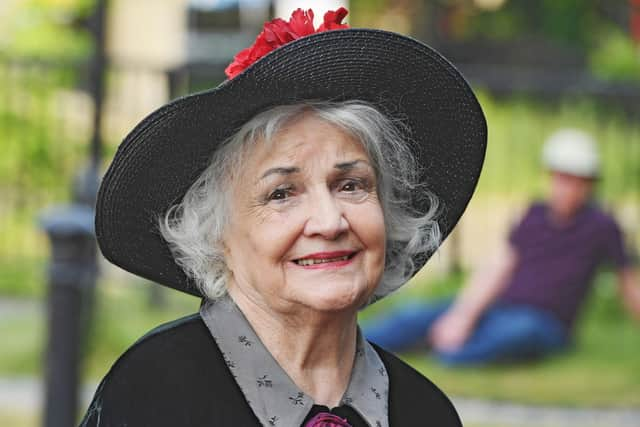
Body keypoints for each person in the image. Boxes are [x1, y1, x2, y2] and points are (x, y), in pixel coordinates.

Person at [80, 7, 487, 427]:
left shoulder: (423, 412)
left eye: (351, 185)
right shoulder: (155, 393)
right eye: (281, 193)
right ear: (216, 234)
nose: (329, 223)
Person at [364, 128, 640, 366]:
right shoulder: (535, 215)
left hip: (546, 323)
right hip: (501, 306)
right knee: (413, 314)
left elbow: (628, 282)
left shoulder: (602, 226)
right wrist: (463, 315)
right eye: (561, 177)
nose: (567, 187)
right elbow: (499, 267)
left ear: (589, 184)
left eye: (577, 180)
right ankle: (354, 346)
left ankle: (444, 357)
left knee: (514, 333)